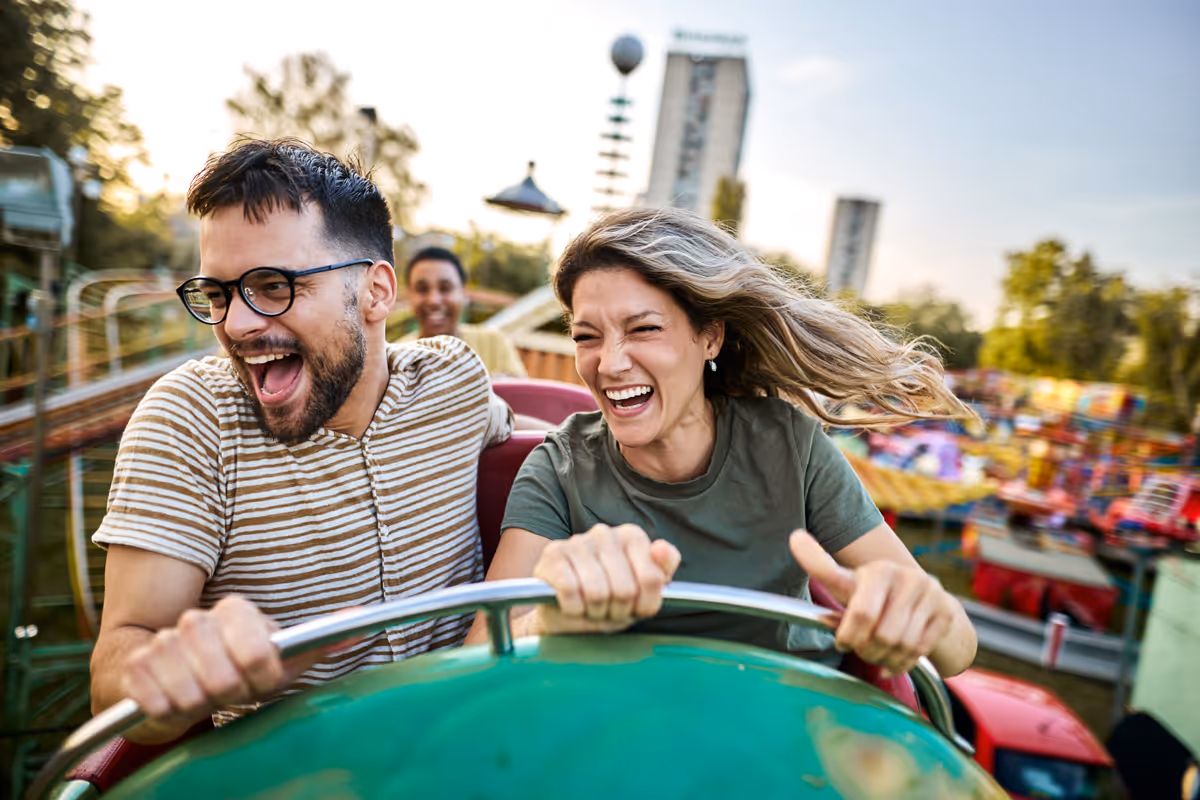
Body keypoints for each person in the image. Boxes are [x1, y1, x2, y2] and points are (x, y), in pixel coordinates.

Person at [89, 139, 513, 744]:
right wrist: (179, 674)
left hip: (464, 749)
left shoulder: (454, 381)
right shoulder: (190, 421)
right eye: (217, 295)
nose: (235, 324)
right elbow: (113, 675)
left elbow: (553, 443)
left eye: (273, 286)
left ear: (376, 292)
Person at [466, 207, 977, 681]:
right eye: (586, 337)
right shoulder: (557, 468)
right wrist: (551, 618)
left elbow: (957, 652)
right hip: (622, 730)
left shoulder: (790, 446)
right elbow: (476, 660)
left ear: (710, 337)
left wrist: (917, 615)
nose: (610, 362)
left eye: (643, 328)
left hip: (781, 719)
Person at [403, 246, 528, 377]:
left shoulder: (493, 343)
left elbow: (520, 393)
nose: (434, 300)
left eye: (445, 288)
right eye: (422, 289)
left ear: (463, 292)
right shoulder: (397, 358)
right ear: (409, 295)